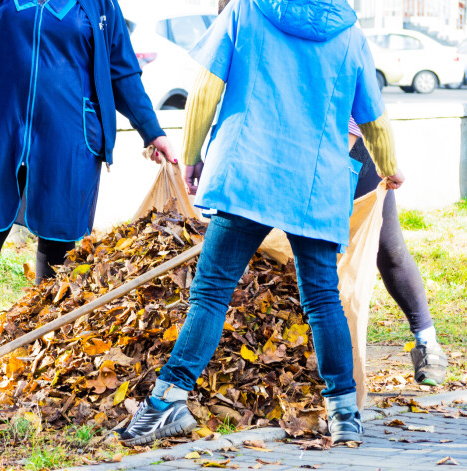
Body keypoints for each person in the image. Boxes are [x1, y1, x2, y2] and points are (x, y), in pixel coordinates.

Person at [120, 0, 404, 446]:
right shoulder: (349, 32)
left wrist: (192, 157)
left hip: (246, 176)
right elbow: (372, 117)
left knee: (212, 292)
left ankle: (165, 402)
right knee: (323, 301)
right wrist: (389, 165)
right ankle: (345, 413)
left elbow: (205, 91)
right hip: (314, 184)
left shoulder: (246, 12)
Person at [0, 0, 176, 340]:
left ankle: (42, 335)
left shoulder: (100, 4)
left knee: (60, 236)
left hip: (70, 134)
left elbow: (121, 71)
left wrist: (153, 131)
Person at [348, 119, 448, 386]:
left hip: (354, 149)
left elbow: (369, 108)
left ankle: (428, 343)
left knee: (388, 248)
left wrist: (386, 163)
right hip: (295, 150)